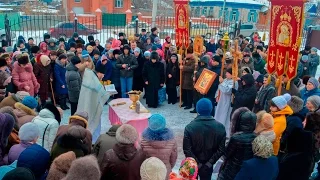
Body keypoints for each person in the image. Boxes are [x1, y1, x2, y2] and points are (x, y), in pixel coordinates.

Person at [183, 98, 226, 180]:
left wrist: (198, 164)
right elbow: (221, 149)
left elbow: (187, 150)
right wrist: (209, 164)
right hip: (209, 163)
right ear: (211, 109)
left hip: (193, 164)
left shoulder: (190, 127)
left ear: (197, 109)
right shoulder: (220, 127)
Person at [218, 107, 257, 180]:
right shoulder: (256, 137)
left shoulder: (236, 138)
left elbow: (225, 154)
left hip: (232, 169)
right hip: (246, 170)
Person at [141, 114, 177, 178]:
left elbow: (142, 158)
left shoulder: (143, 140)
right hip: (165, 172)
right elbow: (173, 158)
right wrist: (168, 167)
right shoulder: (172, 140)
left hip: (149, 172)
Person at [214, 68, 236, 137]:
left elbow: (227, 91)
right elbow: (219, 89)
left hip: (227, 102)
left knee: (225, 117)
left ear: (231, 74)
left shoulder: (233, 82)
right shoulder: (225, 80)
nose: (226, 74)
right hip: (221, 101)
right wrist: (217, 95)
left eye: (227, 73)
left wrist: (221, 82)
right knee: (218, 115)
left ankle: (225, 133)